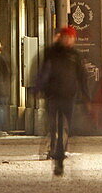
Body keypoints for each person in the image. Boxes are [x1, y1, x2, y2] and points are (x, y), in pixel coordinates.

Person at [35, 26, 89, 176]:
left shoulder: (75, 55)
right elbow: (43, 72)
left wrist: (85, 95)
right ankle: (56, 152)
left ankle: (59, 152)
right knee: (54, 127)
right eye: (66, 37)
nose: (69, 40)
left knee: (65, 128)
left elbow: (82, 75)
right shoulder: (51, 52)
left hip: (68, 96)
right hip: (53, 95)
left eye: (71, 37)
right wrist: (39, 88)